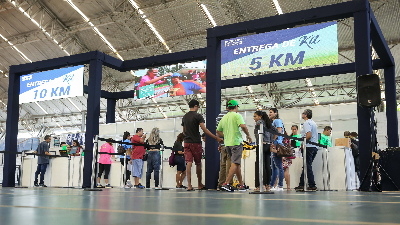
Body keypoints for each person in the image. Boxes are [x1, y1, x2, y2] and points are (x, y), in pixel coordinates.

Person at [182, 99, 223, 191]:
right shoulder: (198, 116)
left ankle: (189, 185)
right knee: (198, 163)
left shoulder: (184, 116)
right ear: (196, 106)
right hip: (195, 142)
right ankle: (199, 184)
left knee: (188, 162)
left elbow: (184, 131)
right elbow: (204, 129)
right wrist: (216, 138)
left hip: (186, 142)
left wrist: (187, 136)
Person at [217, 100, 252, 192]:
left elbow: (218, 131)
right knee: (235, 163)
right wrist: (248, 135)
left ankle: (241, 185)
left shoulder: (224, 117)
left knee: (237, 164)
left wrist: (227, 135)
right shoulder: (237, 115)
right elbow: (243, 126)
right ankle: (226, 183)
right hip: (236, 143)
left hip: (227, 144)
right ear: (236, 106)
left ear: (228, 107)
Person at [295, 109, 318, 191]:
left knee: (307, 166)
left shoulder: (306, 123)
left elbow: (308, 135)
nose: (302, 114)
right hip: (314, 147)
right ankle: (301, 184)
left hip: (309, 147)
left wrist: (303, 143)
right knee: (306, 165)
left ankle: (312, 185)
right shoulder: (313, 123)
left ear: (306, 115)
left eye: (303, 113)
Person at [253, 111, 275, 191]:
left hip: (261, 145)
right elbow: (276, 131)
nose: (254, 118)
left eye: (255, 116)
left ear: (260, 116)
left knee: (260, 165)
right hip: (268, 145)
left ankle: (260, 185)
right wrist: (271, 140)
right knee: (267, 165)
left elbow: (258, 133)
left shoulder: (260, 122)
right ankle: (268, 185)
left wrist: (260, 140)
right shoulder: (268, 122)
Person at [216, 104, 232, 191]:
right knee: (230, 164)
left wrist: (219, 142)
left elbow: (217, 130)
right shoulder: (231, 115)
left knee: (222, 164)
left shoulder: (220, 116)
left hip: (222, 143)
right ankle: (228, 183)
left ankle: (220, 184)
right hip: (231, 143)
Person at [269, 108, 284, 191]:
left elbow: (278, 131)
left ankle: (280, 185)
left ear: (276, 113)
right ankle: (271, 185)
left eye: (271, 112)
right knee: (274, 167)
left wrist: (273, 141)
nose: (269, 114)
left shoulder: (277, 121)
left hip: (277, 144)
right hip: (275, 143)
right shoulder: (273, 122)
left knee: (279, 166)